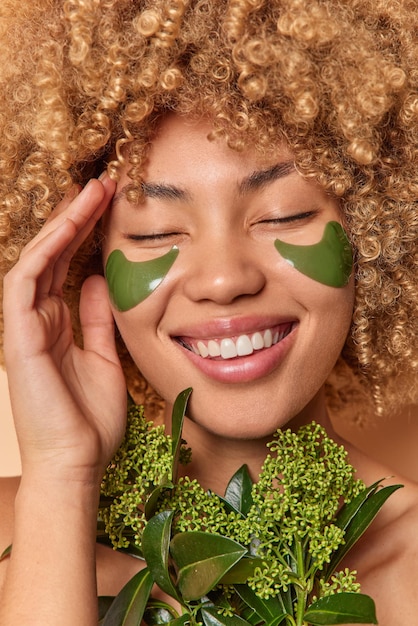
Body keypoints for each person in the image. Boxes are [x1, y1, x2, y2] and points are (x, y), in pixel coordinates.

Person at [0, 0, 417, 624]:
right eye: (154, 231)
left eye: (285, 215)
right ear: (84, 262)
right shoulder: (17, 536)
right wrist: (61, 480)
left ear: (376, 232)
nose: (224, 280)